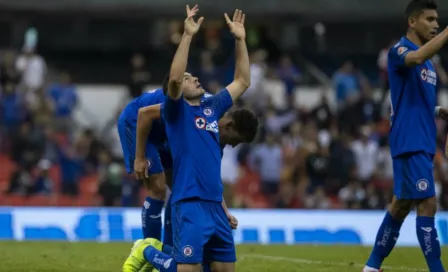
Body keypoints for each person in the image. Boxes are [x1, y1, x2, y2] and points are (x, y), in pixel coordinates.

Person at [123, 5, 252, 272]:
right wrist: (187, 36)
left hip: (215, 206)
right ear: (180, 89)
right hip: (190, 205)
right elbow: (173, 80)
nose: (194, 78)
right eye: (189, 78)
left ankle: (157, 249)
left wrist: (240, 40)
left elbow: (242, 81)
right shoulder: (175, 112)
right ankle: (147, 250)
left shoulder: (213, 108)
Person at [363, 1, 448, 272]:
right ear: (412, 22)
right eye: (430, 19)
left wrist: (438, 110)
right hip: (411, 140)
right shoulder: (401, 51)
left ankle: (371, 267)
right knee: (428, 204)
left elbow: (405, 101)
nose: (436, 25)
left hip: (421, 138)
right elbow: (416, 58)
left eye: (438, 20)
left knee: (400, 206)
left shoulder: (430, 68)